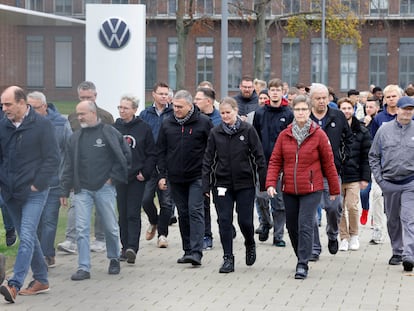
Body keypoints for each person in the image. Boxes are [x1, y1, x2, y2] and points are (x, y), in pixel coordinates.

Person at [266, 95, 340, 279]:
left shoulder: (318, 134)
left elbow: (328, 163)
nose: (300, 113)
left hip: (311, 188)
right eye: (297, 109)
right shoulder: (285, 134)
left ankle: (302, 263)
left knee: (305, 223)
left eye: (304, 110)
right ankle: (301, 254)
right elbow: (275, 160)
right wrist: (270, 183)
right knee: (292, 226)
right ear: (293, 111)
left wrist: (333, 189)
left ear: (309, 111)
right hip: (289, 188)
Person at [0, 86, 59, 303]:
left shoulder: (43, 125)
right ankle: (41, 280)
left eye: (8, 104)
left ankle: (14, 284)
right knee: (30, 237)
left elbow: (53, 158)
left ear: (22, 102)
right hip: (10, 193)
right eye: (2, 104)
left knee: (25, 235)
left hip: (34, 192)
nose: (4, 108)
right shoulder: (3, 125)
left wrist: (38, 184)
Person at [60, 100, 131, 281]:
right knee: (81, 228)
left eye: (82, 113)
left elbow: (124, 155)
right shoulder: (75, 137)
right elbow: (68, 165)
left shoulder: (109, 132)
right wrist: (64, 190)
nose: (79, 117)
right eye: (78, 114)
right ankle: (83, 267)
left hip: (104, 188)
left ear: (93, 113)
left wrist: (112, 178)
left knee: (110, 227)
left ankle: (114, 258)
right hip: (82, 189)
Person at [202, 97, 267, 273]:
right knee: (224, 221)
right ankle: (228, 258)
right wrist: (206, 185)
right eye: (222, 113)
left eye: (228, 112)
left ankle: (250, 243)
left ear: (236, 111)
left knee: (245, 221)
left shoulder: (248, 130)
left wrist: (263, 181)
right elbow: (208, 159)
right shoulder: (216, 133)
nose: (225, 116)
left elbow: (259, 156)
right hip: (222, 184)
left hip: (244, 183)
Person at [157, 90, 213, 266]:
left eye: (180, 107)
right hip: (175, 177)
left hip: (197, 176)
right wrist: (162, 175)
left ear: (190, 106)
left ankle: (197, 252)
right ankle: (187, 250)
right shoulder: (167, 124)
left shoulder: (204, 122)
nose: (176, 109)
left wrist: (209, 175)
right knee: (183, 214)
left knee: (195, 211)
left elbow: (211, 150)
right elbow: (161, 151)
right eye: (174, 106)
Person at [58, 81, 114, 254]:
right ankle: (71, 240)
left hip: (101, 168)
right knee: (76, 203)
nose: (85, 99)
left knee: (101, 206)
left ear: (95, 96)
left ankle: (100, 239)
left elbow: (112, 145)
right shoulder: (72, 117)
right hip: (78, 167)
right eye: (82, 97)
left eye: (89, 97)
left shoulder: (106, 117)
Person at [27, 91, 72, 268]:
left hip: (54, 181)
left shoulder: (61, 123)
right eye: (28, 108)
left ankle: (47, 255)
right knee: (34, 221)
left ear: (45, 106)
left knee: (49, 219)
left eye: (35, 108)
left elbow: (68, 151)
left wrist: (66, 183)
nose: (31, 111)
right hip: (32, 182)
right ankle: (38, 253)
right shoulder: (25, 122)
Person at [369, 96, 414, 271]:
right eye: (405, 109)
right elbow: (373, 156)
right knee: (393, 219)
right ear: (397, 110)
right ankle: (397, 250)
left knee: (409, 219)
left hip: (411, 182)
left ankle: (409, 255)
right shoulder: (384, 130)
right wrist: (380, 180)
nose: (408, 112)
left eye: (411, 109)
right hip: (389, 183)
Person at [309, 83, 353, 261]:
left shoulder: (337, 116)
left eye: (324, 97)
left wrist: (342, 158)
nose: (321, 101)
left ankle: (333, 234)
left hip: (331, 171)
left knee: (334, 208)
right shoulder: (305, 117)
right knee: (309, 212)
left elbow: (348, 139)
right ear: (311, 99)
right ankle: (313, 248)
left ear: (329, 98)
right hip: (310, 173)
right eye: (318, 98)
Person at [114, 95, 156, 264]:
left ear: (134, 110)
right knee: (122, 214)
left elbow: (151, 154)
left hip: (136, 178)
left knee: (133, 213)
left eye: (126, 108)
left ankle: (132, 247)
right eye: (120, 107)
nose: (122, 111)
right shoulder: (114, 127)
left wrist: (145, 172)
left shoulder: (143, 128)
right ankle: (124, 247)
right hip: (119, 177)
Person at [253, 78, 294, 246]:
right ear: (268, 92)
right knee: (261, 196)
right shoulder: (260, 113)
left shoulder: (288, 113)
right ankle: (265, 222)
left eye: (278, 89)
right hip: (263, 162)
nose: (275, 92)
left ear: (282, 92)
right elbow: (254, 136)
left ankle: (278, 235)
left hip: (281, 164)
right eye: (272, 89)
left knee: (279, 201)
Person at [140, 82, 175, 248]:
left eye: (166, 94)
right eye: (160, 93)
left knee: (166, 202)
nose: (164, 96)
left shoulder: (173, 113)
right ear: (153, 94)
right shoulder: (145, 114)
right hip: (149, 162)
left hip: (167, 163)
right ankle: (153, 221)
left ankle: (162, 234)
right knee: (146, 199)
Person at [369, 84, 403, 245]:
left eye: (393, 96)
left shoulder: (407, 116)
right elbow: (373, 141)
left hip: (403, 166)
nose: (390, 99)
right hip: (382, 165)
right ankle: (377, 229)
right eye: (388, 96)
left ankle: (401, 230)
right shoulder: (379, 118)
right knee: (376, 195)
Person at [337, 97, 371, 251]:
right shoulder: (334, 129)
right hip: (337, 175)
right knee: (338, 208)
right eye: (343, 108)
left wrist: (365, 177)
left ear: (354, 110)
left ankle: (354, 235)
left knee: (352, 206)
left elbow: (367, 156)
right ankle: (343, 237)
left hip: (354, 175)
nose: (346, 111)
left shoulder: (362, 130)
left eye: (349, 108)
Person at [194, 87, 221, 250]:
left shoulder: (220, 118)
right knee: (203, 203)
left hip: (219, 168)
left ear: (208, 101)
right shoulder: (195, 119)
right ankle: (206, 236)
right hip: (201, 168)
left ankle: (226, 225)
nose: (194, 102)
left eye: (198, 99)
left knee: (220, 204)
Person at [359, 97, 380, 225]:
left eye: (371, 107)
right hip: (365, 161)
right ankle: (365, 209)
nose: (368, 109)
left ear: (377, 108)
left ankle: (375, 216)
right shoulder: (361, 122)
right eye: (366, 107)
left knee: (377, 193)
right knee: (364, 191)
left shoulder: (380, 122)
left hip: (378, 161)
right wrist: (364, 125)